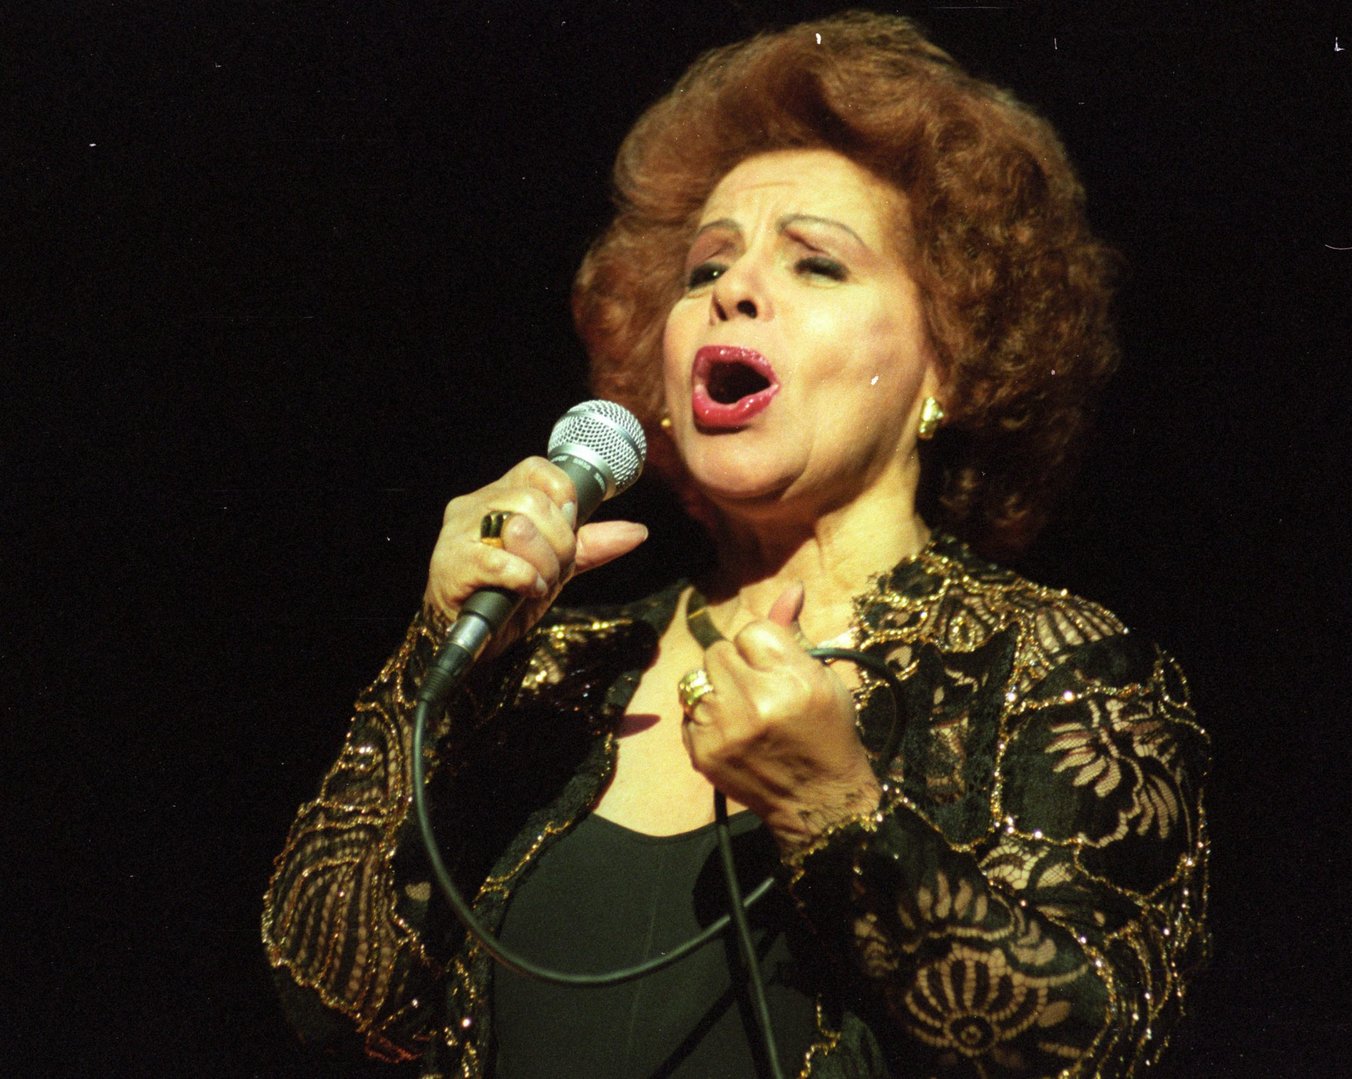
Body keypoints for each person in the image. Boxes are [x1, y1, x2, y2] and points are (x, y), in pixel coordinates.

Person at [262, 11, 1209, 1077]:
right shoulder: (557, 667)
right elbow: (329, 999)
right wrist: (441, 653)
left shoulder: (1050, 665)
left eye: (818, 264)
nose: (731, 288)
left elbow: (1099, 1047)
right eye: (703, 267)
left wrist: (835, 816)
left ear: (948, 364)